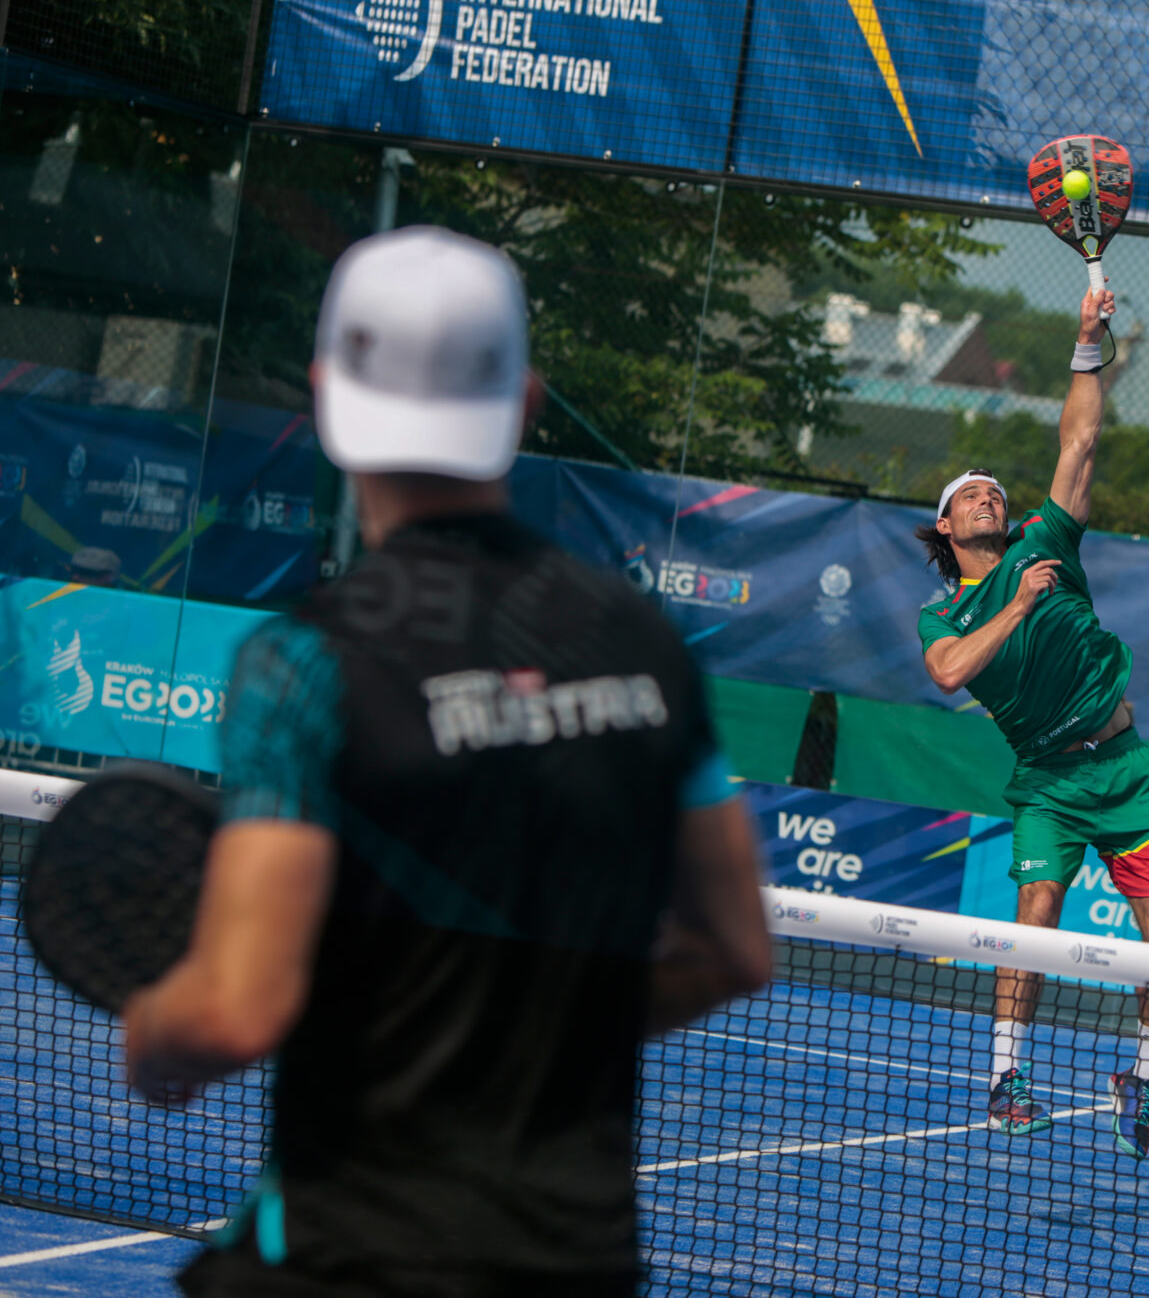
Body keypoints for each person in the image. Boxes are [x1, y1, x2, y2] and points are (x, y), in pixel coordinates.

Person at [122, 227, 773, 1296]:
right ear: (524, 403)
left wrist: (154, 1031)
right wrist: (536, 1033)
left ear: (325, 394)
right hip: (576, 1268)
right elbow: (735, 949)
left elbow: (236, 1008)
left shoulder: (303, 661)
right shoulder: (647, 645)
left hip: (345, 1258)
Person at [916, 284, 1149, 1161]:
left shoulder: (1045, 540)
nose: (990, 498)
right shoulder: (945, 614)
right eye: (973, 495)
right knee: (1036, 909)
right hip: (1048, 781)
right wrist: (1020, 606)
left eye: (996, 491)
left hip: (1126, 766)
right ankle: (1007, 1076)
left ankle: (1143, 1076)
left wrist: (1085, 340)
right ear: (946, 524)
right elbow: (950, 672)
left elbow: (1080, 438)